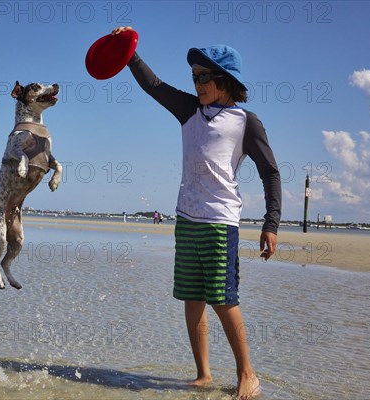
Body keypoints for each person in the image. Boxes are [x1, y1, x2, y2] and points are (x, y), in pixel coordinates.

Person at [113, 26, 281, 400]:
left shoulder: (245, 122)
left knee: (223, 298)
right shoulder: (189, 110)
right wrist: (128, 50)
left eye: (204, 77)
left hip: (220, 223)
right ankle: (203, 374)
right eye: (194, 77)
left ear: (226, 81)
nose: (197, 83)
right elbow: (153, 85)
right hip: (186, 220)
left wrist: (271, 224)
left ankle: (247, 373)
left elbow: (270, 171)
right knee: (192, 297)